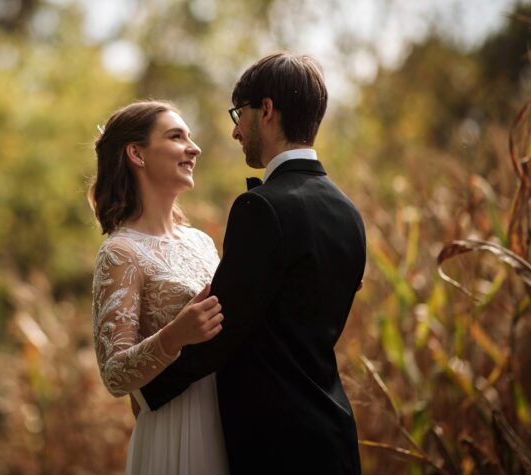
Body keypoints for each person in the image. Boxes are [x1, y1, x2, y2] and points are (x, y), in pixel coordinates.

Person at [135, 53, 367, 474]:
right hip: (334, 438)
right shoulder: (348, 212)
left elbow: (222, 324)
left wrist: (145, 389)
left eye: (238, 114)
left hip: (276, 447)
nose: (234, 130)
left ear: (267, 110)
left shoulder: (262, 208)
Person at [90, 100, 230, 475]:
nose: (194, 147)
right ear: (136, 153)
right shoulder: (120, 252)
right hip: (173, 427)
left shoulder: (200, 241)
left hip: (229, 416)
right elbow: (114, 375)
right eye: (176, 136)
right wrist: (176, 335)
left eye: (190, 136)